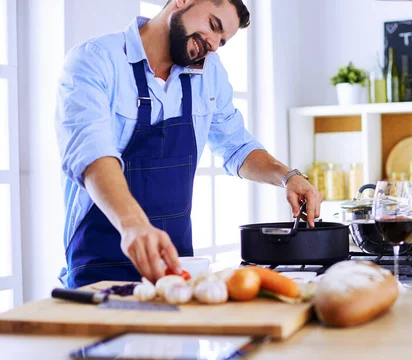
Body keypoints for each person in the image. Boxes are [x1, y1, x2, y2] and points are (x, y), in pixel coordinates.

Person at [55, 0, 322, 289]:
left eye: (222, 41)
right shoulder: (96, 59)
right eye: (213, 25)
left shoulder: (210, 73)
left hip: (174, 271)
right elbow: (91, 153)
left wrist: (289, 177)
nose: (213, 45)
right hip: (98, 271)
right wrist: (134, 225)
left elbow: (237, 147)